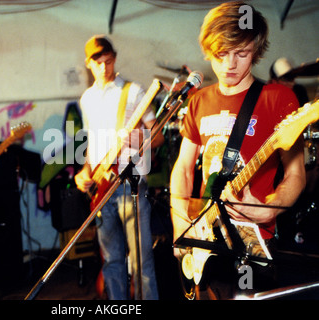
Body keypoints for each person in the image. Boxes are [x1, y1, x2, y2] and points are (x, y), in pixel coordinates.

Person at [170, 1, 306, 299]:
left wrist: (266, 207)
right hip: (205, 236)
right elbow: (182, 168)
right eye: (221, 55)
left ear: (255, 51)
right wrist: (180, 220)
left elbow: (296, 174)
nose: (230, 64)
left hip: (252, 243)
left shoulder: (278, 98)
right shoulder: (197, 101)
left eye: (241, 54)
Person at [74, 35, 164, 300]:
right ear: (88, 64)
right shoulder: (87, 99)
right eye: (98, 62)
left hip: (130, 184)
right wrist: (85, 172)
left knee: (141, 261)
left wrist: (138, 138)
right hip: (102, 190)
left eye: (109, 61)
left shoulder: (134, 91)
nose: (104, 68)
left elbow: (157, 136)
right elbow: (93, 145)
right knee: (111, 261)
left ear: (115, 59)